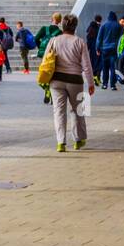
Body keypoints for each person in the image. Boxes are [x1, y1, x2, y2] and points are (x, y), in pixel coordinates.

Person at [46, 13, 95, 151]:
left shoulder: (54, 40)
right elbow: (87, 65)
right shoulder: (80, 42)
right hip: (75, 80)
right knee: (79, 110)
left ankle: (61, 142)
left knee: (59, 111)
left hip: (56, 81)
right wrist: (91, 83)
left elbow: (46, 60)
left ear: (62, 26)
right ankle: (79, 140)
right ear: (75, 27)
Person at [96, 11, 122, 90]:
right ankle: (113, 85)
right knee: (113, 67)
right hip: (114, 49)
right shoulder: (118, 25)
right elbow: (121, 38)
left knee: (105, 67)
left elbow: (99, 38)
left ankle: (105, 84)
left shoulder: (104, 25)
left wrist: (97, 48)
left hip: (105, 50)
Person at [86, 14, 102, 82]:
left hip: (92, 48)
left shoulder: (90, 27)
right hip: (97, 48)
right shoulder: (99, 27)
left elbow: (88, 38)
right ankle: (97, 77)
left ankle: (93, 77)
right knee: (98, 63)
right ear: (100, 20)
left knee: (92, 62)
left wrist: (87, 48)